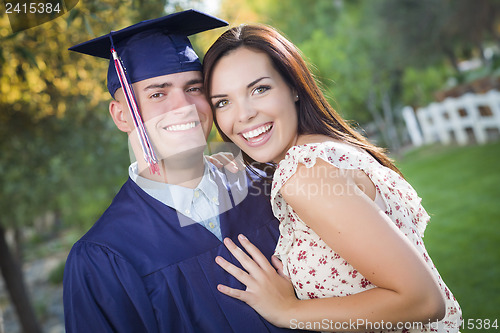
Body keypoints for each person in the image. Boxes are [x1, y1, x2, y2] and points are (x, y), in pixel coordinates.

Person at [202, 24, 462, 332]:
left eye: (259, 89)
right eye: (223, 101)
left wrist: (287, 310)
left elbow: (423, 301)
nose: (243, 114)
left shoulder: (304, 172)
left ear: (293, 87)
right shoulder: (325, 150)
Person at [63, 11, 307, 332]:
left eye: (194, 88)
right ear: (122, 116)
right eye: (158, 93)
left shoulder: (270, 190)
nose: (185, 106)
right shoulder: (103, 258)